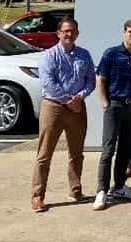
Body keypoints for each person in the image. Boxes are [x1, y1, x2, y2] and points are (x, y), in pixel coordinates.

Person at [31, 18, 95, 212]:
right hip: (54, 107)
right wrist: (68, 100)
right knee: (44, 154)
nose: (69, 34)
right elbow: (48, 82)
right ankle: (37, 196)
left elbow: (91, 80)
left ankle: (76, 191)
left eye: (73, 31)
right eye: (66, 31)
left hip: (77, 107)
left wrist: (80, 97)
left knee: (77, 153)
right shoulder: (49, 55)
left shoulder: (84, 55)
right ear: (58, 33)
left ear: (77, 33)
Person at [92, 19, 131, 211]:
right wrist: (105, 103)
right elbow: (100, 79)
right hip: (114, 105)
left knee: (125, 148)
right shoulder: (111, 53)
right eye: (130, 32)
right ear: (124, 32)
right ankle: (102, 190)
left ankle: (119, 186)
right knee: (108, 149)